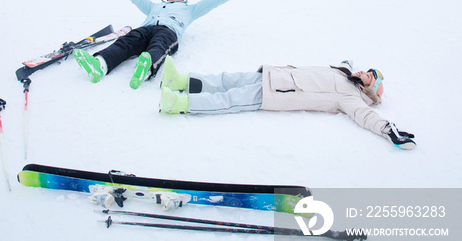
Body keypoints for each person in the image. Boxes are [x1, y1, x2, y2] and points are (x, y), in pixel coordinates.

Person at [159, 58, 416, 149]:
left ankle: (179, 104)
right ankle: (180, 79)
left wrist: (386, 129)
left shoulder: (350, 98)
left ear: (370, 89)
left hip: (278, 94)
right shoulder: (342, 72)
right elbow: (345, 65)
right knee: (228, 80)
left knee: (229, 99)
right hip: (274, 74)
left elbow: (365, 116)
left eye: (368, 76)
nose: (362, 72)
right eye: (365, 70)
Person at [73, 0, 246, 89]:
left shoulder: (189, 9)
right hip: (146, 28)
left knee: (159, 46)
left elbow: (211, 2)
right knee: (126, 42)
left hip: (168, 31)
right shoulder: (154, 7)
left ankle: (146, 68)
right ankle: (100, 65)